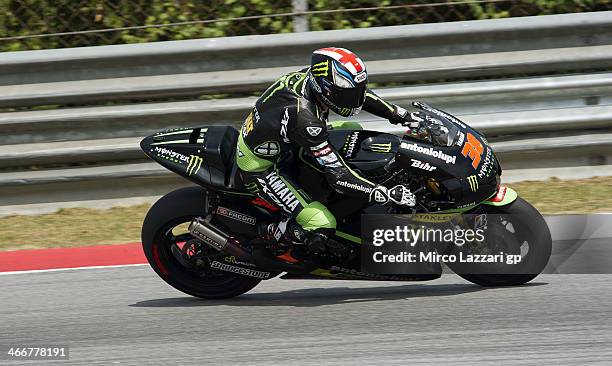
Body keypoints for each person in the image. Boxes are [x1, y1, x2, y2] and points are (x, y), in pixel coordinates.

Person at [235, 47, 423, 256]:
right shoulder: (305, 118)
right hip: (261, 167)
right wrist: (381, 193)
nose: (354, 100)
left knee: (355, 132)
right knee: (321, 221)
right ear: (327, 90)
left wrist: (400, 114)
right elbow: (337, 175)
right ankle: (275, 235)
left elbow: (361, 96)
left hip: (288, 143)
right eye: (347, 95)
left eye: (356, 91)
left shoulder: (314, 78)